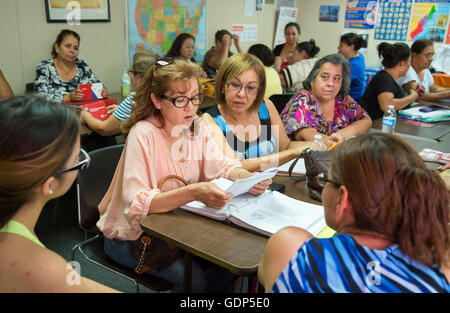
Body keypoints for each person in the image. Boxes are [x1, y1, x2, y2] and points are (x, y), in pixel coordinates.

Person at [96, 58, 271, 292]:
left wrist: (244, 178)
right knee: (193, 281)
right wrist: (193, 191)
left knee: (230, 265)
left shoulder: (195, 125)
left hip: (178, 229)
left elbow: (220, 165)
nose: (191, 107)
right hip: (132, 237)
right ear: (157, 100)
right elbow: (137, 204)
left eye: (195, 97)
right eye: (180, 99)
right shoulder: (143, 134)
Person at [258, 133, 450, 293]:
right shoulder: (441, 267)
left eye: (327, 181)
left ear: (342, 198)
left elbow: (265, 271)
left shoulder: (293, 251)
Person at [0, 96, 117, 292]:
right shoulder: (41, 266)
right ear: (50, 184)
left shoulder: (14, 227)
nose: (81, 163)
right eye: (78, 159)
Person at [201, 53, 310, 172]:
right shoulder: (209, 120)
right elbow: (233, 167)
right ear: (222, 86)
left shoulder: (266, 107)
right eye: (235, 85)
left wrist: (320, 144)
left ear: (259, 90)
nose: (241, 94)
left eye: (251, 87)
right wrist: (292, 153)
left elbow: (286, 146)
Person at [281, 54, 372, 147]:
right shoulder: (303, 99)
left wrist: (341, 135)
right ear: (312, 80)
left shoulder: (342, 100)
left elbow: (366, 120)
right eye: (324, 77)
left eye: (336, 79)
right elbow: (304, 134)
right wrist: (331, 141)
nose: (330, 83)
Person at [80, 50, 159, 136]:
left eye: (131, 71)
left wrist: (85, 115)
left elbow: (103, 128)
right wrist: (122, 109)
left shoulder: (136, 99)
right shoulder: (161, 95)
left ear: (139, 76)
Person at [34, 29, 109, 103]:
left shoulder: (82, 66)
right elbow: (40, 98)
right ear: (57, 48)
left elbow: (99, 86)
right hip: (56, 113)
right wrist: (68, 97)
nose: (72, 51)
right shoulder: (45, 67)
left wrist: (102, 92)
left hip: (83, 111)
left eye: (75, 48)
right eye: (68, 46)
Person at [359, 42, 424, 120]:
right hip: (373, 125)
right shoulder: (384, 78)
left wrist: (415, 94)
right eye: (409, 62)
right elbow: (387, 105)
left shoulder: (389, 78)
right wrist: (412, 97)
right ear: (401, 64)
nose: (410, 65)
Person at [338, 32, 366, 102]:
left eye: (341, 46)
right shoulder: (359, 55)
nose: (338, 48)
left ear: (351, 47)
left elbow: (338, 85)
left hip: (349, 101)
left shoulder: (353, 65)